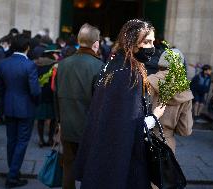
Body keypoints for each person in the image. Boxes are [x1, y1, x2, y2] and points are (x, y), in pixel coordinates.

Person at [74, 19, 165, 189]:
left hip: (103, 152)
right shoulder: (129, 74)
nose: (151, 47)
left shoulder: (113, 65)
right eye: (146, 41)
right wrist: (155, 116)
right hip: (119, 161)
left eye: (152, 42)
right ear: (131, 42)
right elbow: (129, 126)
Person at [56, 23, 104, 189]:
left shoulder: (62, 64)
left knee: (68, 167)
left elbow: (57, 96)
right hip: (89, 128)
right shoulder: (99, 66)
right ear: (96, 44)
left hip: (67, 124)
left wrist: (60, 122)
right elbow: (100, 103)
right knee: (90, 169)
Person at [0, 34, 41, 188]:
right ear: (27, 48)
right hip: (26, 108)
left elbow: (1, 88)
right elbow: (35, 91)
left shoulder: (3, 63)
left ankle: (13, 172)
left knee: (12, 141)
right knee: (21, 142)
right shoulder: (29, 65)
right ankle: (12, 176)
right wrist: (35, 103)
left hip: (9, 106)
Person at [148, 49, 193, 153]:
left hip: (144, 140)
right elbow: (185, 130)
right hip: (166, 145)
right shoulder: (185, 92)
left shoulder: (148, 82)